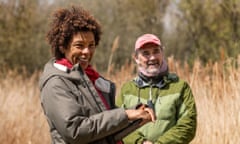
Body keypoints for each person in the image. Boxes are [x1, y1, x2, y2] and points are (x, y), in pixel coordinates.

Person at [39, 6, 155, 144]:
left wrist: (137, 116)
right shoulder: (56, 83)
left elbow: (107, 131)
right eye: (79, 45)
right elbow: (75, 130)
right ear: (63, 47)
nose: (87, 51)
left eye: (91, 45)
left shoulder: (92, 80)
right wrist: (125, 115)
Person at [116, 34, 197, 144]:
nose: (152, 57)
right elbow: (117, 124)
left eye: (156, 51)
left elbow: (188, 124)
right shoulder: (127, 90)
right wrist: (141, 142)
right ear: (136, 58)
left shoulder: (180, 87)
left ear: (162, 54)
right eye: (146, 53)